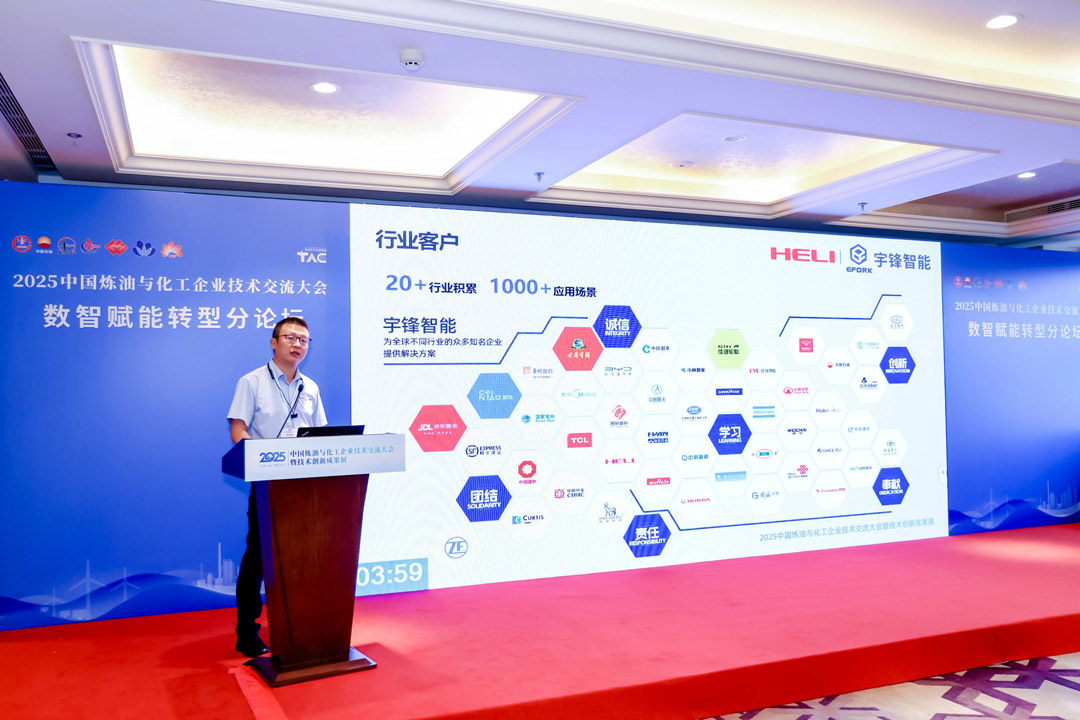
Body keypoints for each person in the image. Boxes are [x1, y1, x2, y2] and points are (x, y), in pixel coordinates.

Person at [227, 317, 327, 657]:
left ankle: (302, 623)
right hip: (269, 482)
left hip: (305, 485)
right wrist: (263, 457)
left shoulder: (310, 388)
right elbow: (238, 431)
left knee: (304, 556)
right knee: (258, 557)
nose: (298, 344)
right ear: (274, 342)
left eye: (304, 340)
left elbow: (321, 434)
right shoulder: (251, 381)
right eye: (290, 337)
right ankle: (247, 632)